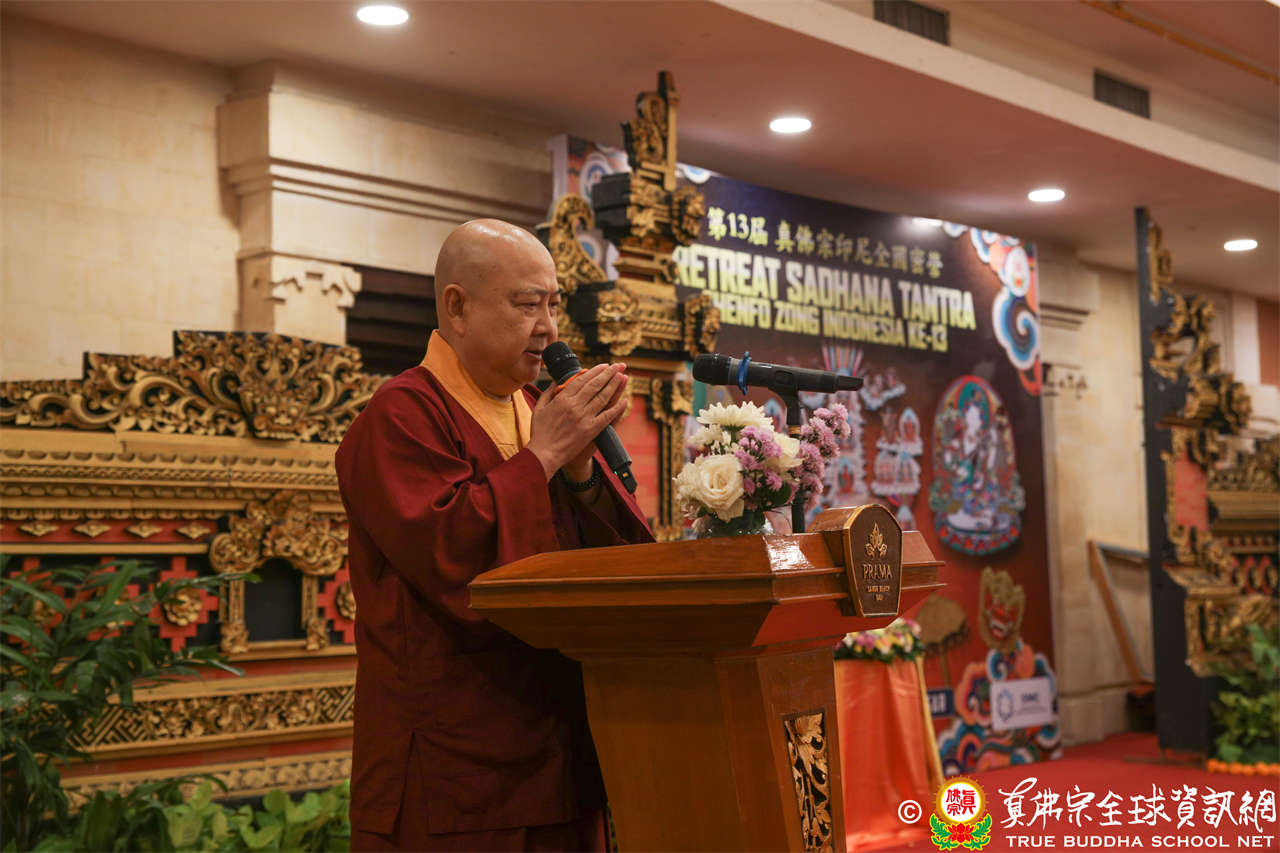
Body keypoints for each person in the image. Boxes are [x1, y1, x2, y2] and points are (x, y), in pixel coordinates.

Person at [335, 219, 653, 851]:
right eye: (528, 305)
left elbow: (610, 563)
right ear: (457, 307)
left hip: (560, 748)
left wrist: (579, 470)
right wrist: (542, 459)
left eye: (553, 305)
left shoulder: (536, 411)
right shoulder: (401, 414)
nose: (549, 328)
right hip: (455, 768)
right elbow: (452, 557)